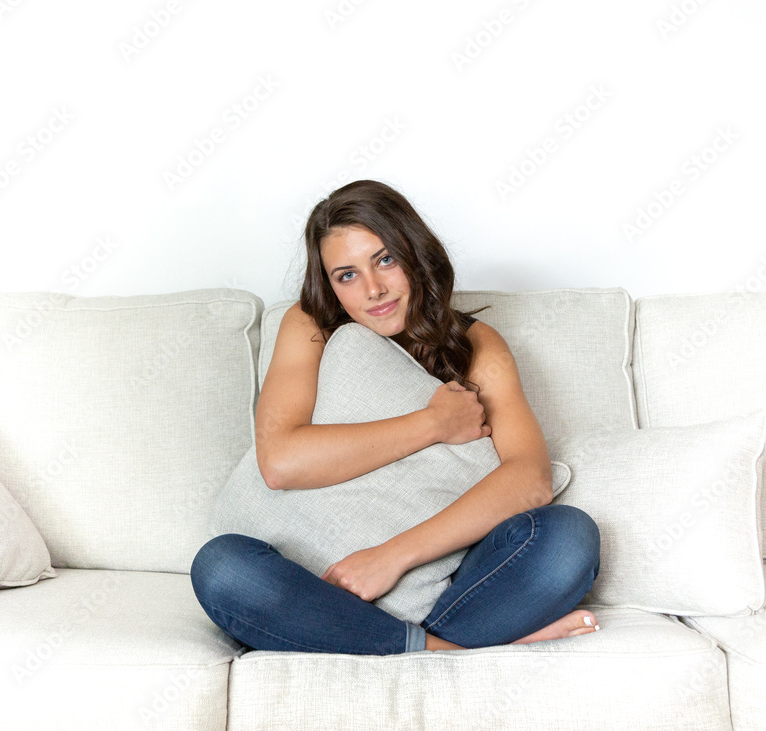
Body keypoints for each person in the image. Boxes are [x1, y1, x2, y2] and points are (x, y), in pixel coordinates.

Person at [190, 179, 601, 655]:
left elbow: (530, 479)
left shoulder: (478, 345)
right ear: (330, 285)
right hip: (317, 589)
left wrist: (390, 558)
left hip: (439, 587)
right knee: (222, 568)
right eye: (346, 275)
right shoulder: (311, 326)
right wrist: (433, 424)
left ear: (414, 253)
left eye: (385, 259)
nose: (373, 289)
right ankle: (444, 650)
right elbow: (281, 463)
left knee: (567, 537)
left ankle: (393, 642)